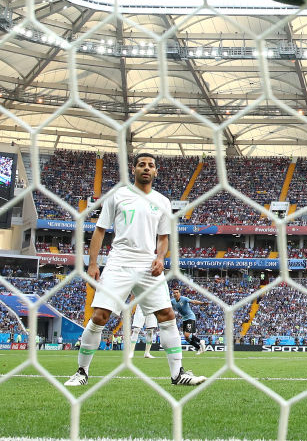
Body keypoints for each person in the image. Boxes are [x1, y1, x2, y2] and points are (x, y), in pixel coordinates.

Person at [65, 153, 205, 387]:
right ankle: (81, 372)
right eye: (142, 165)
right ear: (134, 169)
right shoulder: (118, 196)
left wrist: (160, 257)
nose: (146, 168)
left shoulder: (162, 201)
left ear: (156, 171)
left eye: (151, 165)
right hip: (119, 261)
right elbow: (99, 231)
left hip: (148, 264)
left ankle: (178, 373)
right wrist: (92, 265)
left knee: (167, 315)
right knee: (100, 316)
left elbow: (163, 237)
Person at [171, 288, 208, 354]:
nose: (175, 294)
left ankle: (200, 341)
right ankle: (199, 348)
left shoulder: (184, 299)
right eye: (174, 293)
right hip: (184, 319)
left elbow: (193, 301)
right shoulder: (173, 301)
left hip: (190, 317)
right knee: (186, 338)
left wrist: (202, 303)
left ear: (179, 293)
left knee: (187, 335)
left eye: (177, 292)